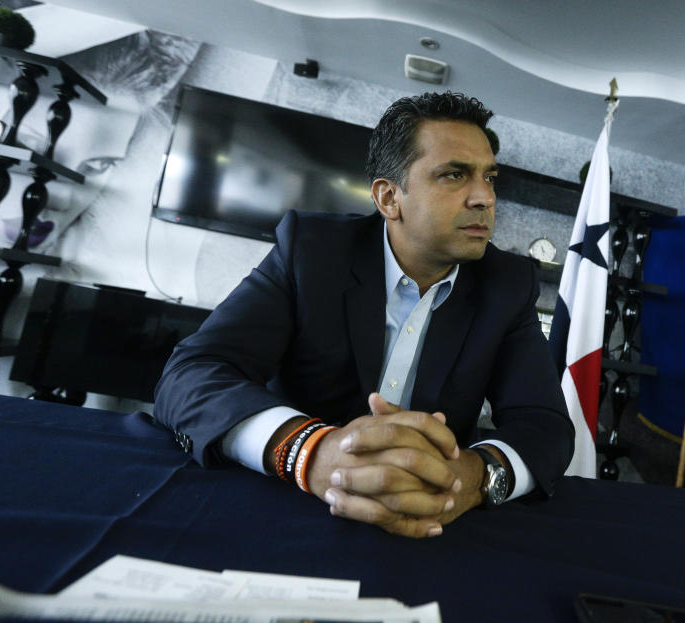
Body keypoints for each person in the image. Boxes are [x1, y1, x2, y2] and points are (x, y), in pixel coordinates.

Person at [154, 91, 573, 538]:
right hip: (290, 506)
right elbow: (191, 374)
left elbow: (544, 425)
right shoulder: (312, 250)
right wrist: (309, 452)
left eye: (490, 178)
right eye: (455, 175)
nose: (485, 198)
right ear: (389, 198)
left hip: (427, 521)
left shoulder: (508, 284)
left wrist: (471, 479)